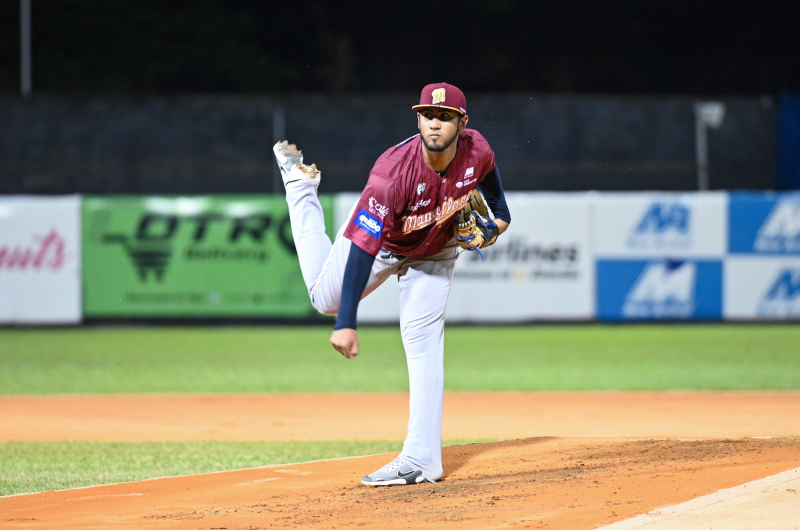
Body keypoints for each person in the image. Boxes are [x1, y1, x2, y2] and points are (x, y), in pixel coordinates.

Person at [273, 82, 511, 486]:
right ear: (417, 118)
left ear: (462, 122)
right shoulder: (391, 173)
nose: (435, 124)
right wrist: (345, 321)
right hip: (382, 243)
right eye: (428, 115)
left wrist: (494, 229)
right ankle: (300, 188)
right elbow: (363, 250)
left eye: (445, 117)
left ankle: (422, 459)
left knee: (423, 344)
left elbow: (500, 208)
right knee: (324, 300)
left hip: (434, 252)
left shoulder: (478, 150)